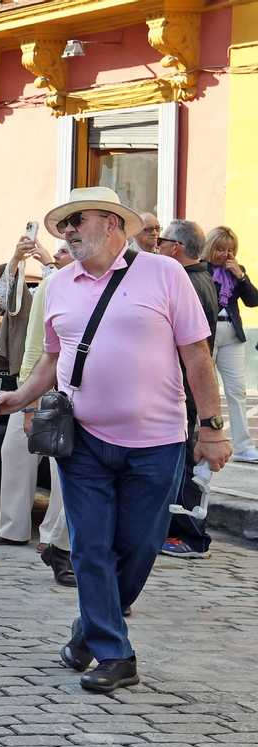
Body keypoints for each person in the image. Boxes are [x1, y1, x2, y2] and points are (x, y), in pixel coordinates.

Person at [0, 187, 229, 693]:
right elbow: (54, 360)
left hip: (158, 442)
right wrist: (21, 398)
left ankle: (88, 635)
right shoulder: (58, 285)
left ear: (113, 224)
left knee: (138, 548)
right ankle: (116, 655)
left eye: (78, 220)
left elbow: (198, 357)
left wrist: (211, 429)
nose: (68, 230)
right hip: (83, 440)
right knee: (91, 548)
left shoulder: (164, 274)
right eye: (64, 224)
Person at [0, 236, 75, 585]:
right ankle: (12, 527)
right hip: (29, 382)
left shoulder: (68, 285)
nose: (60, 253)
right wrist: (17, 258)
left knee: (58, 463)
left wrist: (49, 260)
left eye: (64, 250)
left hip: (61, 387)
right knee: (16, 452)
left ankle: (52, 536)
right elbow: (4, 301)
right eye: (61, 248)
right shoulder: (43, 286)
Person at [156, 219, 219, 560]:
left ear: (175, 247)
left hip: (183, 389)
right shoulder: (199, 279)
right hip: (185, 387)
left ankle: (191, 537)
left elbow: (193, 349)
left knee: (182, 467)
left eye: (161, 241)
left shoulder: (188, 284)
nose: (158, 247)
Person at [203, 226, 258, 463]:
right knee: (204, 390)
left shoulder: (237, 271)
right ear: (210, 247)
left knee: (237, 391)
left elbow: (253, 301)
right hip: (207, 333)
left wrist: (240, 276)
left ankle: (244, 447)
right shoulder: (200, 270)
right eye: (220, 249)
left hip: (232, 334)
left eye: (230, 250)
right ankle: (200, 439)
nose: (226, 255)